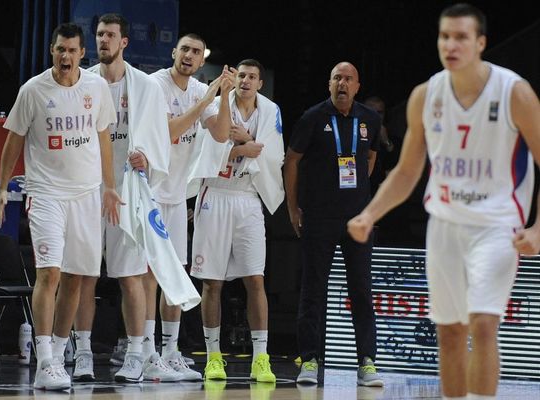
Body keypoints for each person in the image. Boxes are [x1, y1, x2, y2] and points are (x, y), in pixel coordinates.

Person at [347, 4, 540, 399]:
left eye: (461, 37)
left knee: (483, 324)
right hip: (445, 226)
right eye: (444, 37)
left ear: (481, 43)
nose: (451, 44)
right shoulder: (426, 95)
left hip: (498, 225)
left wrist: (539, 228)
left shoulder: (514, 92)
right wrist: (369, 214)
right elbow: (406, 171)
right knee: (449, 332)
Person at [0, 22, 120, 390]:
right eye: (59, 50)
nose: (65, 56)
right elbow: (13, 142)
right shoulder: (33, 90)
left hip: (86, 195)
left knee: (78, 278)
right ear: (51, 51)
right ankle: (45, 358)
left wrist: (110, 187)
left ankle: (61, 356)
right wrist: (3, 187)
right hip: (46, 193)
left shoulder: (96, 88)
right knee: (49, 273)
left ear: (83, 54)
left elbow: (104, 140)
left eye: (71, 50)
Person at [71, 13, 194, 383]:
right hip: (91, 188)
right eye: (99, 35)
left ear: (124, 41)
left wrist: (147, 157)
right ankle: (82, 354)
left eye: (110, 35)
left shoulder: (145, 85)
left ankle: (138, 354)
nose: (103, 41)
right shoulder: (84, 82)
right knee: (84, 274)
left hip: (131, 190)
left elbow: (160, 138)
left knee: (132, 276)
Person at [283, 61, 383, 386]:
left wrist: (356, 195)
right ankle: (310, 360)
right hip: (318, 216)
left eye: (348, 79)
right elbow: (292, 161)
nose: (342, 83)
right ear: (329, 84)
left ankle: (367, 362)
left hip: (357, 219)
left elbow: (370, 157)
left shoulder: (369, 118)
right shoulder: (313, 117)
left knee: (362, 291)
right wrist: (293, 207)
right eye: (337, 78)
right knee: (313, 290)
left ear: (357, 86)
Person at [189, 59, 285, 382]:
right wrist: (246, 146)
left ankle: (261, 358)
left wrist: (243, 142)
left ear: (261, 82)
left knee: (255, 279)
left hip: (247, 198)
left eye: (252, 76)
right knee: (211, 282)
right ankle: (213, 356)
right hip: (215, 193)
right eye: (241, 75)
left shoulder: (270, 111)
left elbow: (274, 154)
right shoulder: (216, 105)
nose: (245, 80)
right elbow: (208, 152)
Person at [146, 33, 234, 377]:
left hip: (177, 195)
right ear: (174, 52)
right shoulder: (156, 85)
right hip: (148, 193)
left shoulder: (201, 90)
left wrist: (223, 97)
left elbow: (222, 134)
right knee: (149, 276)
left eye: (196, 52)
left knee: (175, 277)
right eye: (184, 49)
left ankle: (170, 352)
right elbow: (168, 131)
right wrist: (208, 97)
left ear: (201, 60)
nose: (189, 55)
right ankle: (146, 352)